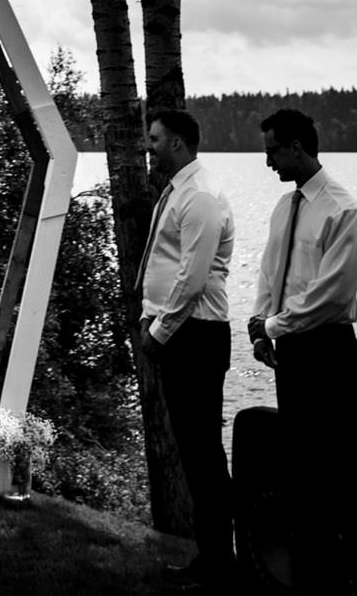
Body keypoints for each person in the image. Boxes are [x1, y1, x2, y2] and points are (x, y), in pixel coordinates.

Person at [247, 106, 357, 596]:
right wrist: (259, 328)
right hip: (290, 349)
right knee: (303, 471)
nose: (268, 161)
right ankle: (316, 579)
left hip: (328, 351)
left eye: (273, 151)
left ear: (296, 147)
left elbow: (328, 296)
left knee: (349, 470)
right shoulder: (284, 208)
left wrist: (274, 324)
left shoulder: (344, 210)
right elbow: (271, 274)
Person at [138, 108, 236, 592]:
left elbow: (192, 280)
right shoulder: (179, 190)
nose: (148, 146)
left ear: (177, 143)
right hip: (182, 331)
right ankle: (212, 556)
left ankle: (219, 561)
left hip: (193, 336)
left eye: (154, 139)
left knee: (202, 455)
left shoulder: (197, 196)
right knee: (195, 453)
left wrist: (158, 333)